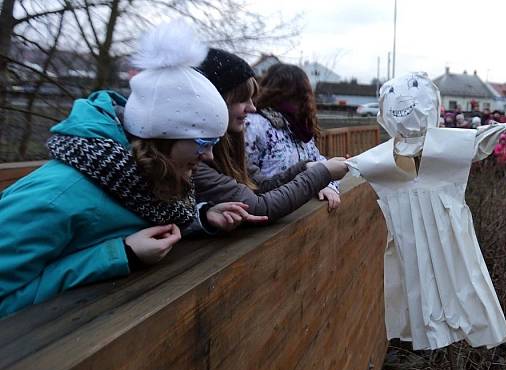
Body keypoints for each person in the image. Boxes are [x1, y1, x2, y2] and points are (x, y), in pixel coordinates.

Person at [0, 22, 266, 317]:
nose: (209, 155)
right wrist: (119, 254)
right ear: (164, 136)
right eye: (204, 141)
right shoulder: (53, 198)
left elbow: (130, 218)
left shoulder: (135, 180)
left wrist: (203, 217)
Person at [194, 49, 349, 219]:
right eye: (242, 98)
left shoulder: (299, 127)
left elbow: (260, 183)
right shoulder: (250, 127)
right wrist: (321, 175)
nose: (251, 108)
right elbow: (258, 205)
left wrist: (310, 170)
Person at [245, 63, 344, 212]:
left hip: (301, 214)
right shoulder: (253, 124)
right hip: (270, 217)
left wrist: (327, 185)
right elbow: (248, 179)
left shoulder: (300, 126)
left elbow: (318, 161)